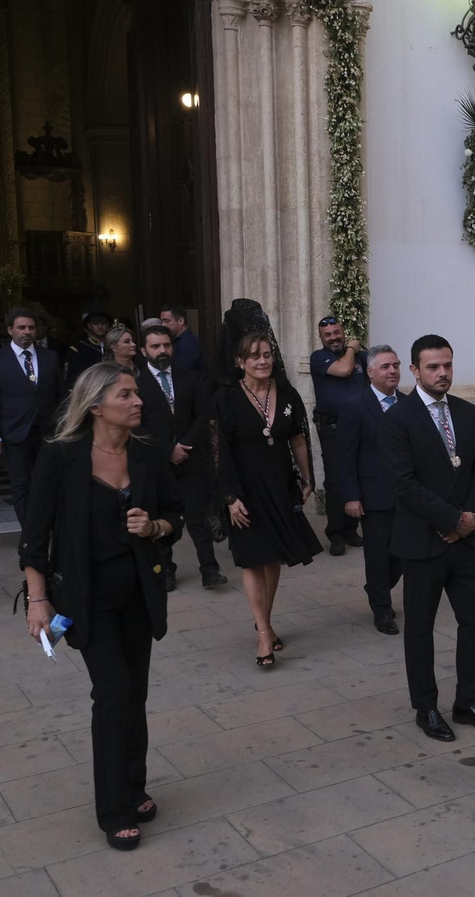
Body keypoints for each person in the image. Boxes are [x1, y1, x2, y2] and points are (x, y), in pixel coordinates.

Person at [20, 362, 182, 851]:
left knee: (134, 693)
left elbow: (177, 515)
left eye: (137, 394)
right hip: (88, 599)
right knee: (112, 692)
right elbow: (35, 536)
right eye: (127, 395)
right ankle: (114, 809)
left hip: (139, 593)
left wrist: (154, 527)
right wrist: (37, 599)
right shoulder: (61, 457)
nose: (138, 402)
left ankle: (134, 787)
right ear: (96, 406)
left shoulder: (148, 454)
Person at [383, 335, 475, 742]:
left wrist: (467, 518)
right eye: (433, 367)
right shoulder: (398, 418)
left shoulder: (467, 413)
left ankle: (467, 700)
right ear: (415, 370)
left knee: (474, 621)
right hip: (422, 542)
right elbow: (402, 483)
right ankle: (426, 707)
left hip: (466, 543)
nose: (443, 373)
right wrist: (450, 519)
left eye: (447, 365)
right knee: (420, 628)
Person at [213, 332, 323, 669]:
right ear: (240, 362)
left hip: (279, 486)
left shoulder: (287, 393)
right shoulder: (226, 398)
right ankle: (263, 634)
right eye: (254, 356)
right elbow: (219, 452)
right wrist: (229, 497)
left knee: (273, 558)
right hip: (242, 490)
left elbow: (298, 439)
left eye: (267, 354)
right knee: (251, 560)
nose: (263, 361)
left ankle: (266, 621)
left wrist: (307, 479)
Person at [135, 326, 225, 592]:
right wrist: (167, 450)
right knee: (161, 519)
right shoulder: (136, 384)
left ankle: (210, 569)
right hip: (157, 465)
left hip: (191, 459)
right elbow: (136, 426)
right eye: (155, 346)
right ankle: (165, 571)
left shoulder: (189, 378)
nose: (162, 351)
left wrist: (184, 445)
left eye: (166, 345)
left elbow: (203, 415)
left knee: (198, 518)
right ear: (144, 351)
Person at [335, 345, 406, 635]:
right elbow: (346, 455)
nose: (392, 371)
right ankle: (381, 609)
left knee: (402, 555)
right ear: (371, 371)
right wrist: (351, 496)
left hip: (406, 495)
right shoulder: (355, 406)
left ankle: (377, 586)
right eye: (386, 366)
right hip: (374, 495)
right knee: (378, 554)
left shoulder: (408, 402)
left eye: (396, 365)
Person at [0, 309, 67, 528]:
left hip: (47, 431)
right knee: (21, 484)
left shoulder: (50, 357)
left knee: (48, 482)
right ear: (10, 330)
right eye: (21, 328)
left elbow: (60, 395)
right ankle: (30, 531)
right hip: (14, 431)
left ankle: (48, 525)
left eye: (31, 328)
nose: (27, 332)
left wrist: (65, 427)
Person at [309, 317, 367, 555]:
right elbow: (343, 370)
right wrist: (353, 347)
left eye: (336, 332)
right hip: (332, 429)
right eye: (328, 334)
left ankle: (351, 529)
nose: (333, 337)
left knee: (359, 476)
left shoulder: (361, 359)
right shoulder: (319, 358)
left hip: (361, 428)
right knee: (335, 480)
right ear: (321, 338)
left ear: (343, 332)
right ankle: (336, 534)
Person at [65, 307, 114, 386]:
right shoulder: (79, 348)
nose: (100, 326)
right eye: (95, 323)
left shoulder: (114, 346)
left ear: (108, 325)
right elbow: (72, 378)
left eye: (103, 323)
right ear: (89, 326)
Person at [159, 305, 204, 374]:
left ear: (181, 321)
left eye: (167, 321)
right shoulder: (176, 340)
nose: (163, 325)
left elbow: (180, 371)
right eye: (162, 321)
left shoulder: (189, 343)